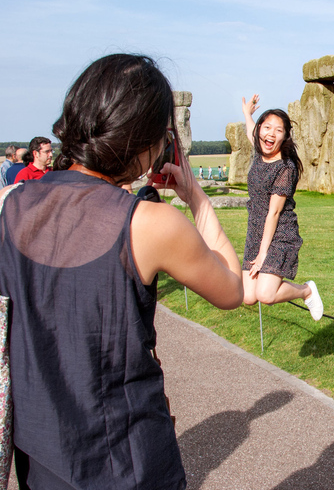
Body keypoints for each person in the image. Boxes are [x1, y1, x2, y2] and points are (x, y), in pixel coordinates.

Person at [0, 54, 243, 489]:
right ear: (147, 139)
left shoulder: (9, 205)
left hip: (38, 454)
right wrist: (197, 199)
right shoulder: (150, 224)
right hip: (126, 457)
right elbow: (231, 288)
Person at [240, 94, 323, 319]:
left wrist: (263, 254)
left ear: (285, 136)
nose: (271, 133)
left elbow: (274, 212)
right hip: (256, 231)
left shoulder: (285, 168)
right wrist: (248, 114)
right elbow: (250, 131)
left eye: (278, 130)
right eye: (266, 127)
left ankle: (307, 290)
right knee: (248, 297)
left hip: (279, 234)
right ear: (260, 131)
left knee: (266, 295)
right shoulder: (259, 152)